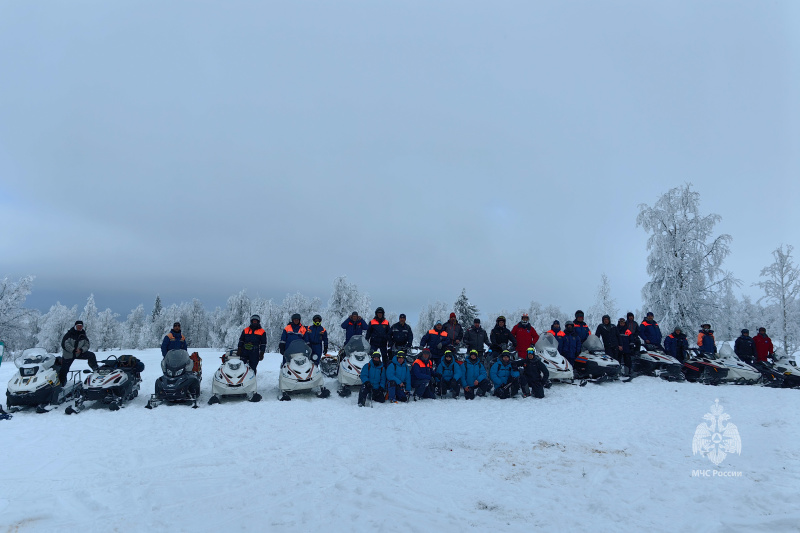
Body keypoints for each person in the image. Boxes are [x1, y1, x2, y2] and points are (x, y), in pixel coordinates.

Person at [59, 320, 98, 386]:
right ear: (75, 326)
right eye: (78, 326)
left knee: (91, 355)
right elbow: (65, 344)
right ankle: (61, 384)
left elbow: (87, 345)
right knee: (64, 370)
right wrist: (73, 350)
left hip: (79, 353)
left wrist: (81, 350)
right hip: (69, 355)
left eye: (81, 326)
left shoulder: (83, 334)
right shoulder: (69, 334)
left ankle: (95, 369)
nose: (80, 327)